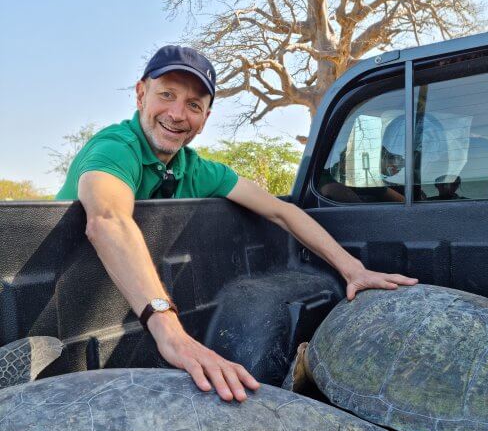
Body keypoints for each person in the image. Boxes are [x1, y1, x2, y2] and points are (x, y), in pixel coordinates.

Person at [56, 45, 418, 403]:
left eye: (194, 105)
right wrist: (171, 333)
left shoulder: (197, 169)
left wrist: (352, 269)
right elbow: (107, 220)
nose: (178, 114)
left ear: (206, 118)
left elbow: (283, 212)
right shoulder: (116, 147)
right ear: (140, 94)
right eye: (167, 95)